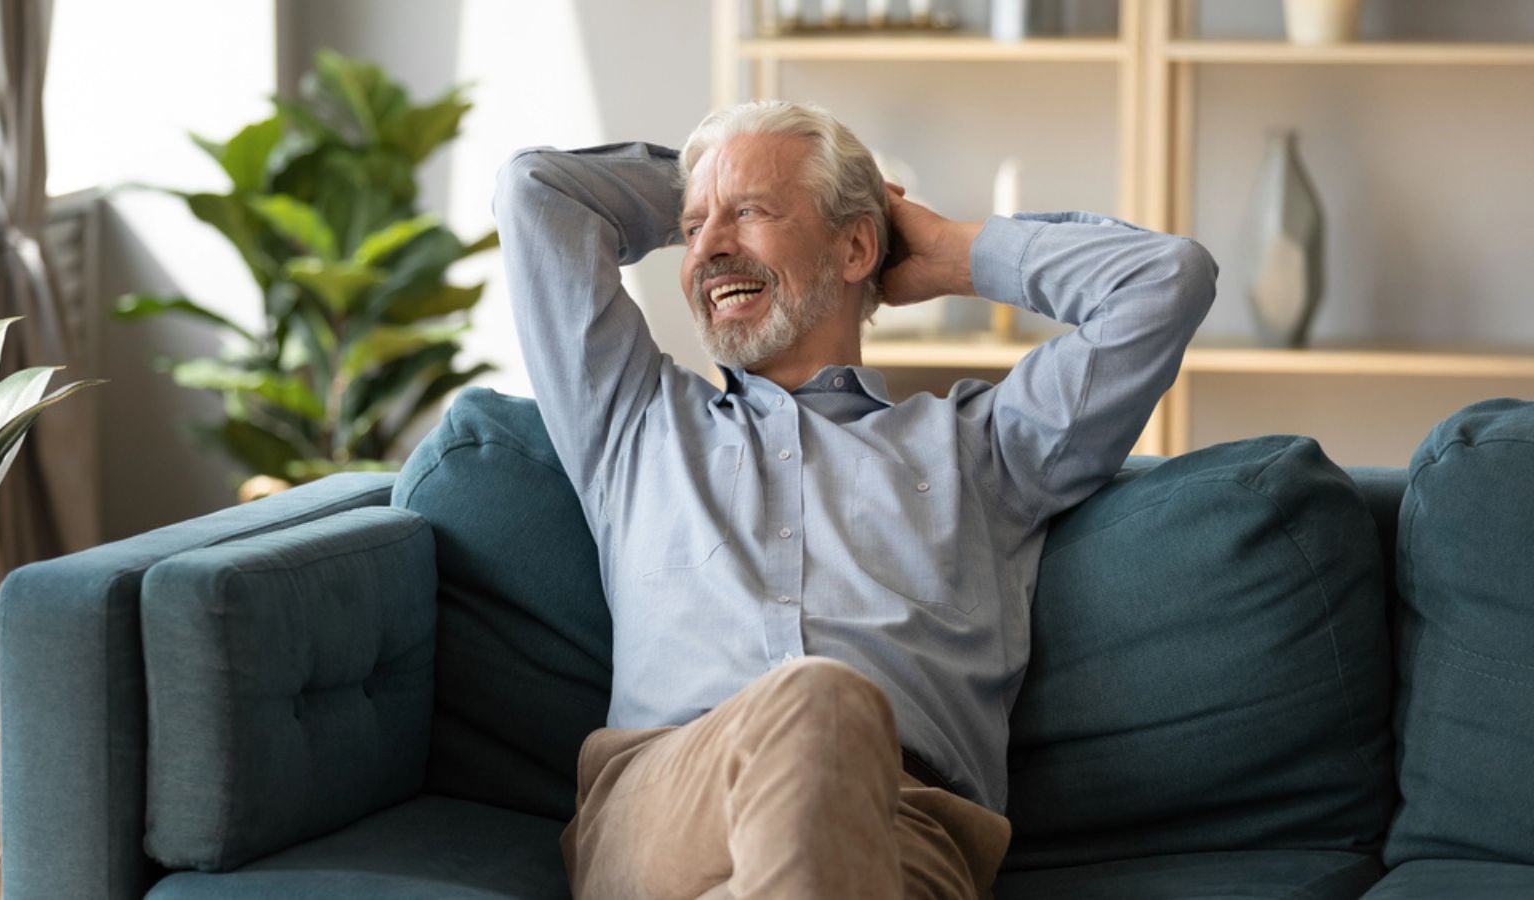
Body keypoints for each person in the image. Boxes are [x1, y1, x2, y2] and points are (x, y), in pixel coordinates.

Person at [494, 100, 1217, 899]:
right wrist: (715, 179)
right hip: (667, 801)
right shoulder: (631, 423)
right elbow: (537, 194)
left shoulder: (987, 451)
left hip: (905, 822)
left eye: (750, 213)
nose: (709, 247)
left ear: (856, 247)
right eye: (692, 226)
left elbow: (1165, 281)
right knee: (820, 702)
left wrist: (947, 253)